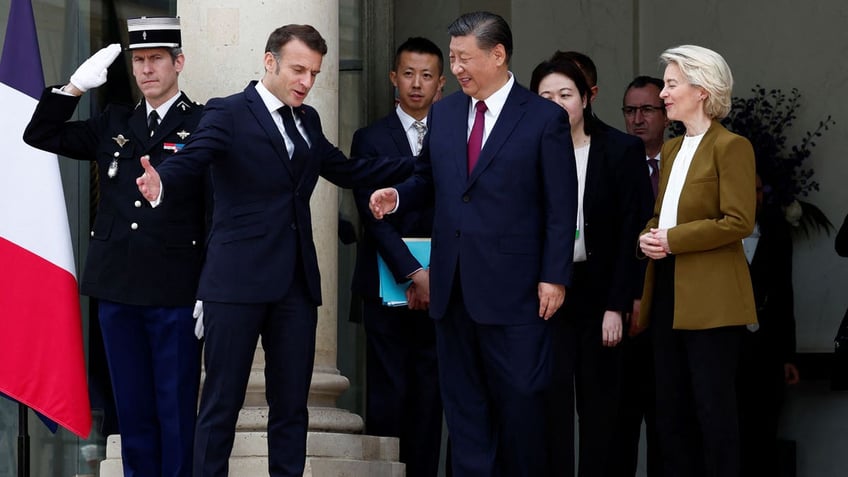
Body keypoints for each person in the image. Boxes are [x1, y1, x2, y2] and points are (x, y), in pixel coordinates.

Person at [135, 24, 414, 477]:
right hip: (235, 280)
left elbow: (346, 168)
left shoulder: (308, 120)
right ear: (270, 63)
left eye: (314, 73)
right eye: (299, 69)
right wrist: (162, 179)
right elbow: (195, 155)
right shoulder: (228, 112)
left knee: (292, 407)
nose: (306, 81)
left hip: (295, 284)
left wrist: (425, 161)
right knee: (221, 403)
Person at [369, 11, 577, 476]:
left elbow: (561, 208)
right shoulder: (444, 115)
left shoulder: (543, 118)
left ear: (498, 55)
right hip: (453, 292)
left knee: (521, 411)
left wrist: (554, 277)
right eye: (453, 58)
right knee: (465, 417)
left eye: (464, 58)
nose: (456, 68)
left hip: (519, 295)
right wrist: (397, 194)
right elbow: (428, 179)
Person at [23, 16, 205, 476]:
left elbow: (215, 209)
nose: (146, 70)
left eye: (156, 59)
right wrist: (74, 88)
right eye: (139, 60)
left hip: (175, 290)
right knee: (131, 410)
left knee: (176, 411)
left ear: (178, 62)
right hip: (118, 288)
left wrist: (211, 284)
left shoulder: (202, 123)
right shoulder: (114, 122)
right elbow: (40, 135)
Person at [637, 45, 757, 477]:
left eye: (671, 84)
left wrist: (672, 239)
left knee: (713, 413)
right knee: (669, 411)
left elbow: (738, 221)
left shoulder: (732, 146)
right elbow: (660, 217)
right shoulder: (670, 151)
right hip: (668, 290)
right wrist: (647, 238)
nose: (663, 94)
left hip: (712, 301)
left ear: (701, 90)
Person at [530, 58, 653, 477]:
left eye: (566, 95)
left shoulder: (621, 150)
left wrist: (617, 304)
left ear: (586, 97)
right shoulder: (527, 151)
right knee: (550, 408)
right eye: (545, 96)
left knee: (602, 410)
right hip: (545, 293)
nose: (556, 104)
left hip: (600, 291)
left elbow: (631, 233)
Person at [349, 36, 446, 477]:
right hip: (387, 285)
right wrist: (412, 274)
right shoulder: (369, 138)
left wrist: (433, 276)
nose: (416, 84)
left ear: (441, 83)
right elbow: (373, 217)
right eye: (408, 73)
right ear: (393, 77)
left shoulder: (456, 136)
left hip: (443, 283)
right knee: (387, 396)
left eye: (427, 75)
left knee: (431, 399)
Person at [615, 75, 669, 477]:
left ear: (666, 114)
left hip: (673, 306)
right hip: (624, 310)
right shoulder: (616, 160)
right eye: (630, 110)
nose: (637, 119)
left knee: (669, 424)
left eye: (647, 109)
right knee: (621, 424)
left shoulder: (684, 159)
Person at [737, 174, 800, 476]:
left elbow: (785, 294)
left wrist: (788, 355)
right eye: (747, 190)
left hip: (768, 349)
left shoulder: (776, 232)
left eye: (759, 190)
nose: (754, 197)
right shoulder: (717, 232)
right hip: (728, 348)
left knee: (765, 429)